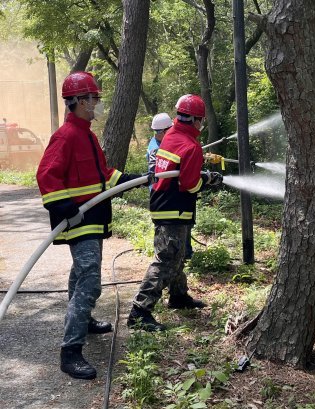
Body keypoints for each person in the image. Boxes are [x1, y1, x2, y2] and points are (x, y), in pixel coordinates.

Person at [36, 71, 150, 380]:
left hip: (94, 219)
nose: (98, 104)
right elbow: (46, 176)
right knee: (90, 283)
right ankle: (70, 351)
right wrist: (64, 208)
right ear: (78, 102)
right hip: (80, 222)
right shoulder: (66, 136)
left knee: (80, 275)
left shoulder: (87, 134)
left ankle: (83, 323)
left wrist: (133, 180)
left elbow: (103, 175)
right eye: (94, 98)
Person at [127, 94, 223, 332]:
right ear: (195, 120)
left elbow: (179, 173)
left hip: (164, 201)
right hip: (174, 206)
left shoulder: (171, 136)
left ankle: (179, 296)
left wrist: (200, 175)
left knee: (177, 254)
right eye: (200, 120)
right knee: (167, 259)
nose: (201, 125)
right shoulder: (191, 146)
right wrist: (207, 180)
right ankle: (139, 312)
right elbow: (190, 184)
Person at [146, 112, 194, 259]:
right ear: (161, 132)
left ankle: (184, 253)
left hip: (168, 193)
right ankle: (170, 256)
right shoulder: (155, 148)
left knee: (183, 227)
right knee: (168, 233)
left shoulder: (164, 142)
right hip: (163, 194)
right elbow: (159, 172)